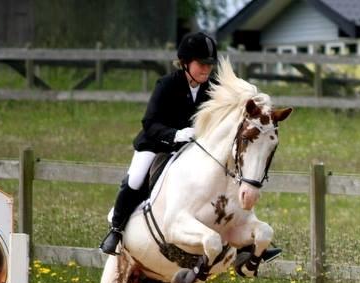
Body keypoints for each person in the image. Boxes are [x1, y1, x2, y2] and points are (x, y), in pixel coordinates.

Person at [99, 31, 281, 263]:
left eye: (209, 64)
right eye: (201, 64)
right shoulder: (166, 85)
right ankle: (116, 229)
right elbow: (149, 123)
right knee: (135, 179)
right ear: (185, 62)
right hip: (157, 144)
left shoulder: (211, 89)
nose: (206, 69)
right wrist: (175, 135)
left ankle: (247, 243)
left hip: (194, 149)